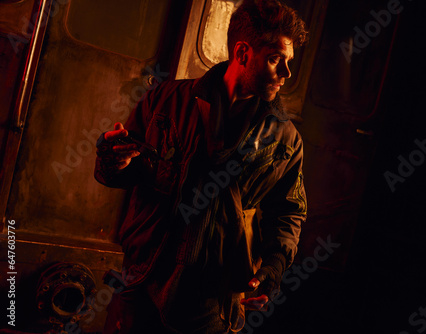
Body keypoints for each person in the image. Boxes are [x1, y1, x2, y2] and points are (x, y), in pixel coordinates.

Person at [94, 0, 308, 332]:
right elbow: (123, 173)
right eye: (275, 59)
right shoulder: (166, 100)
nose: (286, 74)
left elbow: (289, 211)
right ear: (242, 54)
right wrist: (113, 159)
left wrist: (274, 268)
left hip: (211, 298)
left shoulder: (285, 139)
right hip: (144, 279)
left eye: (288, 62)